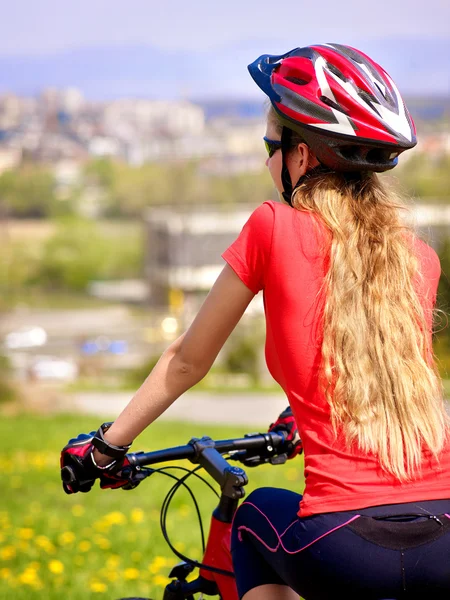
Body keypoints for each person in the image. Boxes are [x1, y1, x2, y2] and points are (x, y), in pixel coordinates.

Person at [61, 43, 450, 599]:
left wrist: (101, 450)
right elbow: (376, 363)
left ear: (302, 156)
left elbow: (187, 361)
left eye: (272, 144)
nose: (268, 158)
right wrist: (301, 411)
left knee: (253, 516)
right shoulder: (417, 257)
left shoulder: (272, 226)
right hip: (444, 535)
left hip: (345, 543)